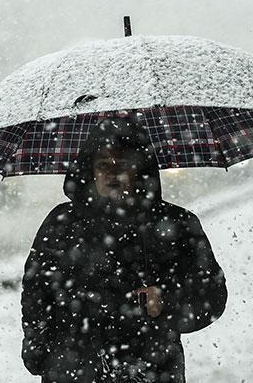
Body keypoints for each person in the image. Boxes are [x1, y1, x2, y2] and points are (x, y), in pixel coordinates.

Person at [21, 115, 227, 383]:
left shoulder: (177, 224)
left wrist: (165, 300)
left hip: (151, 367)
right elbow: (36, 291)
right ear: (89, 170)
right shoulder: (62, 224)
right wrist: (39, 351)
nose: (112, 173)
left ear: (139, 170)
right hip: (73, 368)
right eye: (104, 165)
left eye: (123, 165)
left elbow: (211, 294)